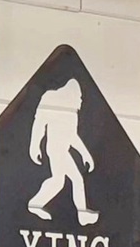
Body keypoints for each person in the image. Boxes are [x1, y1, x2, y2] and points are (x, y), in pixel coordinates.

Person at [25, 75, 99, 226]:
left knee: (69, 180)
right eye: (79, 96)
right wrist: (34, 145)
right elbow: (39, 123)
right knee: (63, 180)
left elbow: (72, 136)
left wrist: (85, 154)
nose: (80, 100)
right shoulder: (51, 98)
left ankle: (81, 215)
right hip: (55, 149)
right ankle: (35, 204)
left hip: (63, 150)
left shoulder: (72, 112)